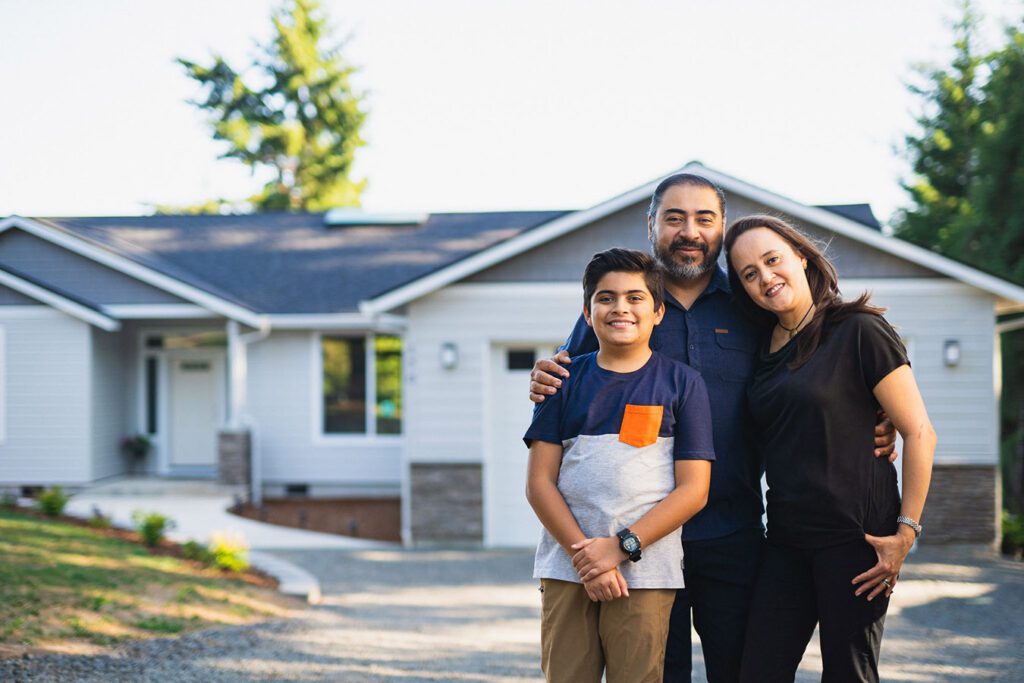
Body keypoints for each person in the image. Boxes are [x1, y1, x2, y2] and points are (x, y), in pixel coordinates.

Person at [529, 173, 899, 682]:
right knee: (660, 672)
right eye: (674, 218)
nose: (690, 231)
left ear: (722, 227)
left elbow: (817, 378)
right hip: (644, 541)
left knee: (743, 670)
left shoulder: (752, 303)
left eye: (705, 219)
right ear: (652, 224)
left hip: (734, 531)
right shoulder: (627, 303)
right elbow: (574, 381)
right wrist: (545, 372)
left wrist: (877, 419)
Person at [724, 215, 935, 682]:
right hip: (785, 538)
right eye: (749, 273)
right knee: (758, 671)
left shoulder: (858, 329)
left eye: (772, 259)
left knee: (848, 673)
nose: (765, 277)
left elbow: (919, 431)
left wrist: (906, 533)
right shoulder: (760, 350)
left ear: (801, 256)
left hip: (857, 539)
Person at [525, 248, 715, 683]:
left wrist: (620, 548)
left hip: (644, 572)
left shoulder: (682, 384)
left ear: (658, 312)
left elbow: (694, 490)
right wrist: (587, 559)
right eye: (606, 298)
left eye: (635, 298)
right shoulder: (562, 381)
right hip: (566, 568)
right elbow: (539, 483)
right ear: (587, 314)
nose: (620, 308)